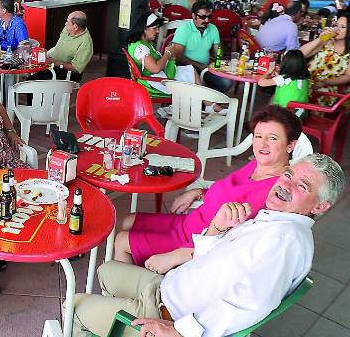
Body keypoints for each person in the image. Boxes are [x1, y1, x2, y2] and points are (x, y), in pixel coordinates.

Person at [71, 152, 344, 337]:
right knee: (106, 270)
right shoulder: (277, 220)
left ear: (320, 206)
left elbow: (250, 303)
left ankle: (109, 321)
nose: (286, 184)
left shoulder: (285, 241)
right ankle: (115, 314)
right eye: (288, 175)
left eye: (302, 185)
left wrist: (179, 331)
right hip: (167, 288)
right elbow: (212, 259)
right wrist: (216, 228)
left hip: (168, 314)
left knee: (75, 306)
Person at [113, 104, 303, 267]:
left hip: (193, 242)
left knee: (121, 240)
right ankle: (139, 273)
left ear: (290, 145)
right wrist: (197, 192)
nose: (262, 144)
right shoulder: (258, 165)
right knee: (127, 220)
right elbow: (228, 192)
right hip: (187, 223)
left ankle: (126, 297)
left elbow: (231, 244)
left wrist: (177, 256)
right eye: (258, 136)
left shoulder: (274, 193)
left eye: (273, 138)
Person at [125, 12, 198, 98]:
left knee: (190, 71)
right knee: (191, 73)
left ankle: (207, 103)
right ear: (144, 29)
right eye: (155, 28)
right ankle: (208, 103)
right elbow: (155, 69)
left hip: (156, 77)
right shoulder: (140, 48)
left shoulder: (143, 43)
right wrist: (168, 53)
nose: (158, 31)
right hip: (152, 83)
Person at [171, 0, 232, 93]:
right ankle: (206, 102)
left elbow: (218, 52)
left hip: (205, 69)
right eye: (202, 17)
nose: (206, 20)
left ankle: (207, 101)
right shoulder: (184, 29)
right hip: (185, 68)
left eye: (209, 16)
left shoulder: (213, 28)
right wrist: (199, 66)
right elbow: (178, 56)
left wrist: (220, 61)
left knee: (227, 82)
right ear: (193, 16)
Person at [300, 12, 350, 105]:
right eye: (336, 25)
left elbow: (348, 76)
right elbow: (300, 54)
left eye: (342, 27)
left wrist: (325, 82)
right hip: (306, 81)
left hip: (328, 88)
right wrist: (320, 39)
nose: (337, 29)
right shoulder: (327, 42)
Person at [28, 11, 92, 83]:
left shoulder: (86, 43)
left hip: (67, 72)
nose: (65, 24)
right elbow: (59, 46)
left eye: (67, 22)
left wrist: (53, 62)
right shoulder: (67, 29)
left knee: (32, 81)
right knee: (29, 67)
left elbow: (76, 68)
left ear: (75, 27)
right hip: (52, 63)